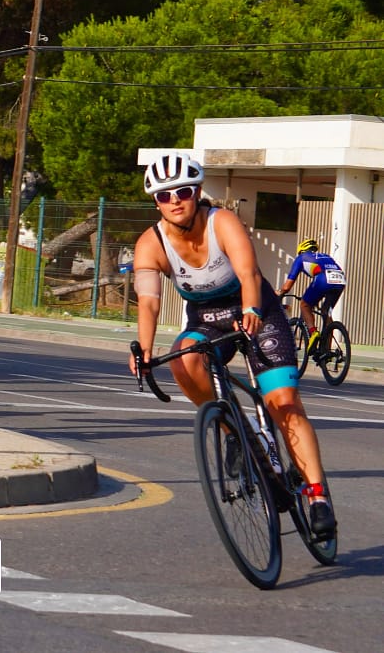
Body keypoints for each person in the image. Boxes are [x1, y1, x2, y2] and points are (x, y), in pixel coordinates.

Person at [128, 152, 336, 536]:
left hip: (258, 310)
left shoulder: (221, 221)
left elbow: (248, 271)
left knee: (284, 403)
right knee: (182, 361)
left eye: (183, 191)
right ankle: (234, 432)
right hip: (207, 320)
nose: (175, 201)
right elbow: (149, 300)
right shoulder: (150, 244)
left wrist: (252, 308)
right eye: (164, 195)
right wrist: (143, 349)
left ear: (197, 192)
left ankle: (317, 496)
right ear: (156, 202)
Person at [278, 239, 346, 352]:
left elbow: (286, 287)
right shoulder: (326, 256)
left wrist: (279, 293)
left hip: (323, 279)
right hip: (340, 280)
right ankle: (326, 350)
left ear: (301, 251)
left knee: (305, 304)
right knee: (326, 312)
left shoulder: (301, 258)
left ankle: (313, 332)